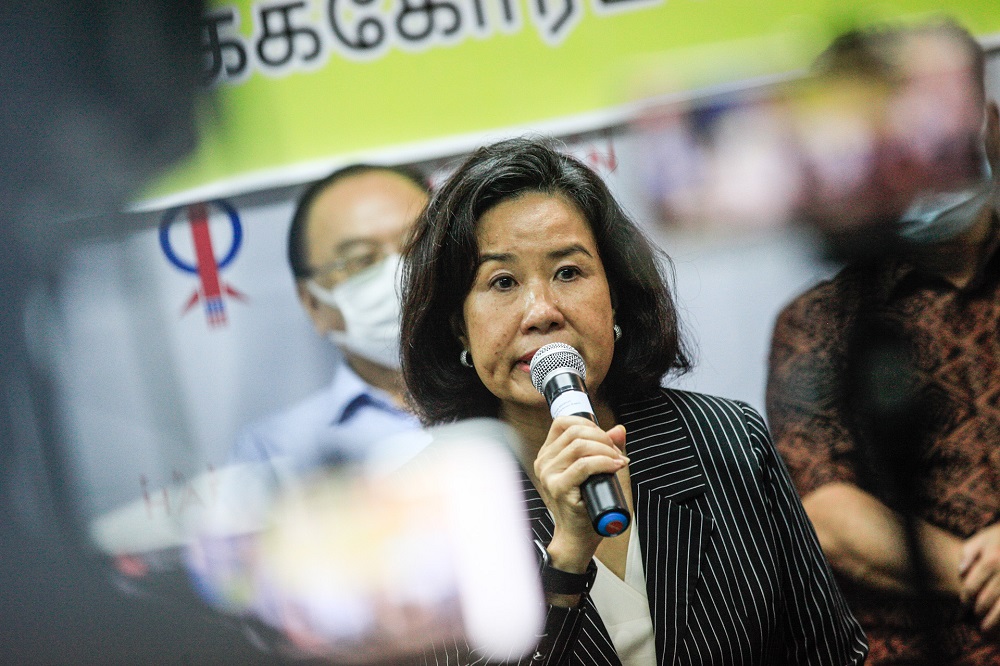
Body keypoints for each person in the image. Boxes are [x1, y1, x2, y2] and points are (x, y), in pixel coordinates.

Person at [400, 137, 867, 665]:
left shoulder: (729, 440)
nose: (542, 311)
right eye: (503, 281)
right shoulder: (421, 513)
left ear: (615, 296)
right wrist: (566, 561)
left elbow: (830, 653)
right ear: (458, 327)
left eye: (568, 272)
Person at [767, 20, 1000, 664]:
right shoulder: (817, 322)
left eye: (931, 124)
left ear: (989, 123)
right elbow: (826, 515)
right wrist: (979, 573)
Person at [231, 164, 428, 470]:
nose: (401, 274)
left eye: (421, 244)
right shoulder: (276, 452)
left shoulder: (506, 394)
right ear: (312, 303)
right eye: (361, 260)